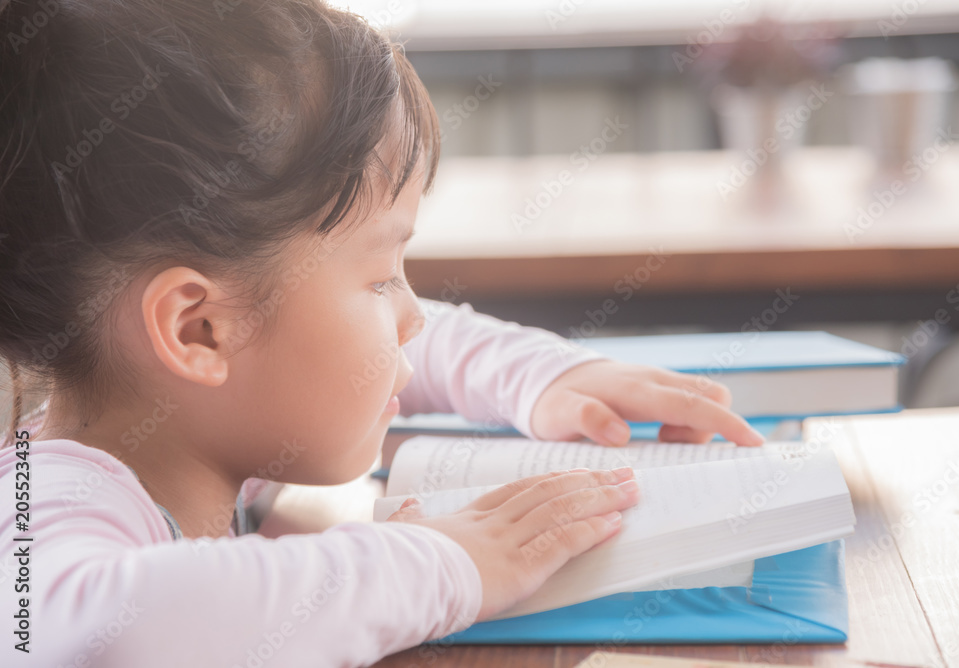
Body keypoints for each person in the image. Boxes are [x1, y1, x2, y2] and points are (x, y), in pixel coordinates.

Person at [0, 1, 764, 665]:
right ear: (199, 330)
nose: (412, 316)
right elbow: (84, 637)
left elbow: (364, 348)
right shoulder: (49, 498)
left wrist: (541, 378)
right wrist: (451, 562)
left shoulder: (193, 430)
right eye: (378, 278)